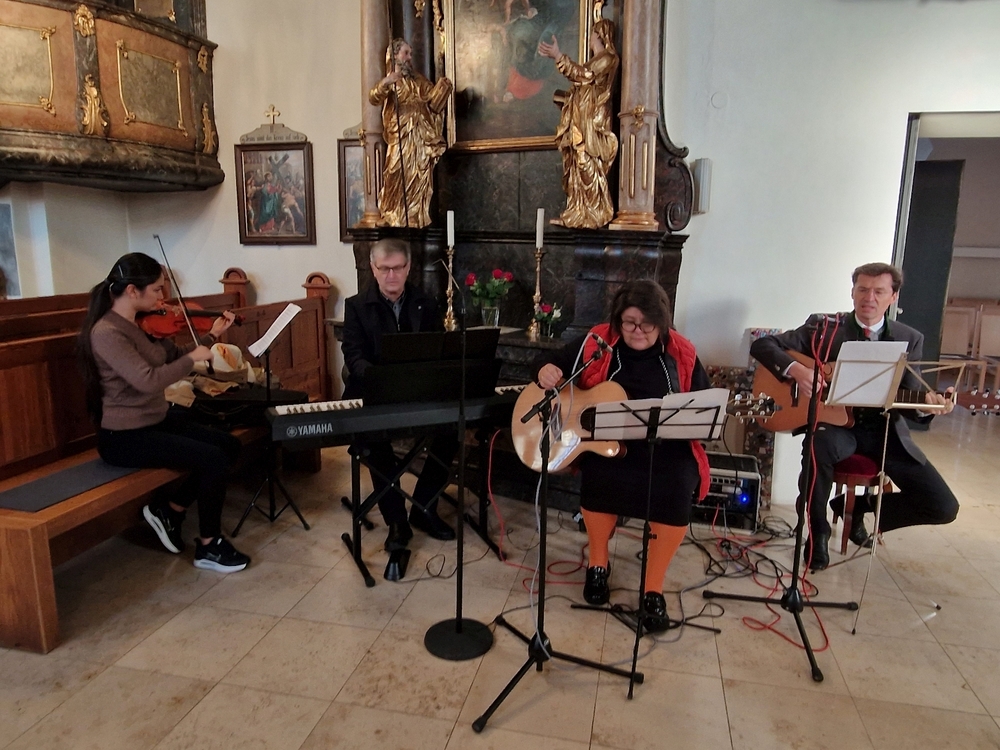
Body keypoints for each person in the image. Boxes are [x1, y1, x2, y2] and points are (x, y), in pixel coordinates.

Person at [750, 262, 959, 571]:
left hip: (884, 432)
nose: (869, 298)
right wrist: (797, 370)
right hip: (836, 427)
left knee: (943, 506)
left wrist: (927, 407)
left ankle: (857, 508)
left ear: (893, 297)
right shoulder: (824, 328)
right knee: (817, 446)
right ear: (852, 292)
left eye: (879, 292)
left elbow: (911, 397)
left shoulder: (909, 338)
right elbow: (763, 344)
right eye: (863, 289)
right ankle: (817, 533)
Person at [531, 280, 711, 631]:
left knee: (678, 484)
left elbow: (703, 404)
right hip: (607, 444)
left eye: (647, 323)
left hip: (664, 447)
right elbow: (546, 361)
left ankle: (653, 588)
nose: (637, 330)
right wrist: (543, 370)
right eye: (629, 322)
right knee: (599, 473)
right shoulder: (597, 342)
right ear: (618, 321)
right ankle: (598, 564)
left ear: (662, 322)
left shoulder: (682, 352)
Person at [77, 252, 251, 573]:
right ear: (133, 291)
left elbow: (175, 354)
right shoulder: (107, 333)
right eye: (157, 289)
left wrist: (212, 335)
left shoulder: (137, 324)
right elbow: (148, 380)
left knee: (228, 445)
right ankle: (209, 546)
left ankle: (171, 510)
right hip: (124, 436)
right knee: (212, 459)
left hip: (154, 420)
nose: (162, 297)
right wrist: (191, 360)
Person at [341, 239, 458, 551]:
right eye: (384, 269)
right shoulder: (356, 306)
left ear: (408, 268)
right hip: (373, 393)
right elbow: (354, 356)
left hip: (416, 391)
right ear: (373, 269)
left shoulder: (426, 302)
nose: (391, 275)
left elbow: (437, 349)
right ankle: (396, 520)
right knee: (374, 439)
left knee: (452, 429)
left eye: (397, 268)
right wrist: (380, 380)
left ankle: (424, 507)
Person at [537, 18, 619, 229]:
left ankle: (595, 212)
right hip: (579, 118)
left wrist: (558, 56)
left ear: (600, 35)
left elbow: (584, 75)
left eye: (593, 34)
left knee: (586, 161)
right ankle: (578, 212)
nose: (590, 38)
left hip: (591, 121)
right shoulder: (597, 60)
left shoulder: (608, 58)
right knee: (575, 163)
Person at [369, 39, 453, 229]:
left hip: (419, 135)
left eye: (411, 54)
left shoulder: (419, 80)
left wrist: (442, 89)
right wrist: (386, 82)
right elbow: (373, 98)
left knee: (417, 172)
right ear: (395, 55)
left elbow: (433, 102)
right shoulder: (391, 80)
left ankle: (413, 214)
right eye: (406, 53)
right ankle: (391, 212)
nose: (409, 58)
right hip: (400, 134)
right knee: (395, 171)